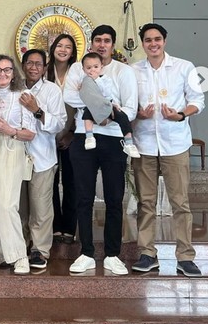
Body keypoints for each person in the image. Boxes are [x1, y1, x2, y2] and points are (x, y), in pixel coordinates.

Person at [131, 23, 205, 277]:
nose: (153, 44)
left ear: (164, 41)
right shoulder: (134, 71)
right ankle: (147, 254)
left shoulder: (184, 67)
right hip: (145, 145)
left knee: (180, 203)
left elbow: (198, 100)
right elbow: (128, 105)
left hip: (175, 143)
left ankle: (185, 257)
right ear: (143, 44)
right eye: (148, 40)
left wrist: (181, 114)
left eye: (157, 39)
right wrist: (138, 113)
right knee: (146, 203)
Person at [64, 25, 138, 275]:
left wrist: (105, 117)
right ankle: (85, 252)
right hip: (85, 138)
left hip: (114, 140)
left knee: (114, 199)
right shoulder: (78, 68)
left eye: (107, 40)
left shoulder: (123, 71)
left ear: (113, 44)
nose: (102, 44)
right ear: (92, 43)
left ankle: (113, 254)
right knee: (83, 198)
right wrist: (103, 113)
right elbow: (69, 97)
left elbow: (130, 108)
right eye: (97, 40)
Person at [0, 55, 35, 274]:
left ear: (14, 73)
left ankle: (18, 255)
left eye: (7, 70)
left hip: (11, 147)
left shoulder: (23, 95)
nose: (2, 74)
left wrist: (10, 130)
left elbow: (30, 133)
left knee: (6, 203)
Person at [18, 49, 66, 270]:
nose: (34, 67)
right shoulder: (13, 87)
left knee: (40, 207)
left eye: (38, 64)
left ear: (45, 68)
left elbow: (58, 125)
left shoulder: (51, 90)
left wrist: (37, 110)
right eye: (30, 63)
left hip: (42, 157)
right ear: (23, 65)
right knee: (19, 207)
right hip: (16, 156)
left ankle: (39, 250)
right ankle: (20, 246)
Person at [47, 34, 78, 244]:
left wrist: (71, 133)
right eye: (59, 45)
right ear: (53, 49)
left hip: (71, 135)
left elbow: (84, 105)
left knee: (71, 182)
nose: (63, 49)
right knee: (49, 183)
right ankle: (55, 226)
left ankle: (69, 227)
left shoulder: (78, 72)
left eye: (68, 47)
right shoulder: (44, 71)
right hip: (46, 136)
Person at [80, 52, 140, 157]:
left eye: (95, 67)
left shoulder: (105, 79)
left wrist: (97, 80)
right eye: (88, 68)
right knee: (87, 114)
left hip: (108, 104)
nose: (92, 70)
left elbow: (107, 93)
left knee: (122, 117)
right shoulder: (85, 81)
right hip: (93, 105)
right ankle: (89, 136)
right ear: (83, 69)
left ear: (101, 67)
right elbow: (84, 95)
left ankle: (129, 143)